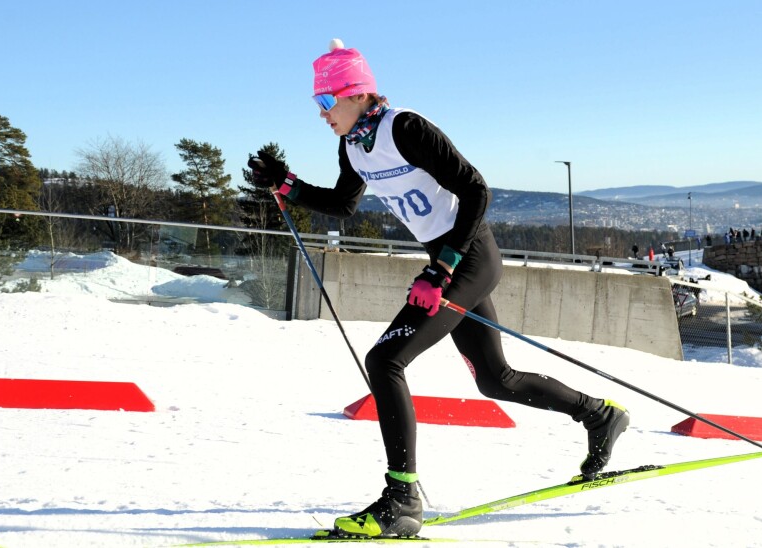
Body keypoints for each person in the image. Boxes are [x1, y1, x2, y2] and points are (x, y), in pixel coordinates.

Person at [247, 39, 629, 538]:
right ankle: (598, 416)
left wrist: (443, 268)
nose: (322, 113)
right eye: (316, 103)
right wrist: (287, 185)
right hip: (446, 264)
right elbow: (344, 204)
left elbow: (476, 189)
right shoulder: (353, 145)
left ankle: (402, 500)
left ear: (357, 94)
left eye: (326, 101)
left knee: (385, 360)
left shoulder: (404, 128)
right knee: (496, 380)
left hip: (469, 258)